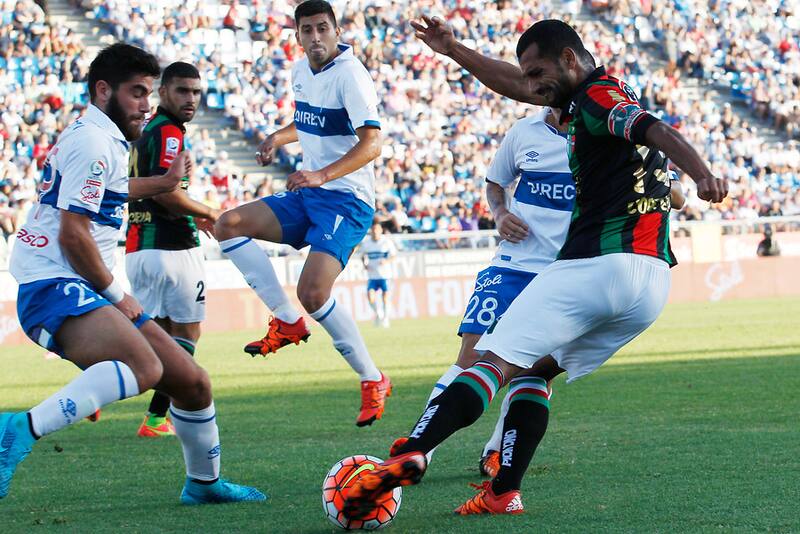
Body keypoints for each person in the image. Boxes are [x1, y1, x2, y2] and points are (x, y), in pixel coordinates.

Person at [344, 18, 726, 518]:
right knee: (535, 373)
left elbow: (655, 129)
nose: (533, 84)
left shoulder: (597, 98)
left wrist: (702, 173)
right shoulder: (592, 95)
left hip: (596, 267)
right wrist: (456, 50)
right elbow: (515, 84)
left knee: (491, 363)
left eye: (540, 71)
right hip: (651, 286)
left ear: (570, 59)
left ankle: (412, 451)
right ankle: (503, 493)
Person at [1, 43, 265, 505]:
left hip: (77, 284)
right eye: (136, 92)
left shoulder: (101, 136)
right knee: (143, 367)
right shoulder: (94, 142)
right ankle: (18, 428)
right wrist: (117, 295)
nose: (146, 103)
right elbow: (73, 236)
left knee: (192, 382)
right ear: (104, 91)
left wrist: (161, 185)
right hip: (53, 284)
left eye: (148, 93)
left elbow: (106, 189)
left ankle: (204, 485)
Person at [214, 0, 391, 427]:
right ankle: (287, 322)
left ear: (336, 30)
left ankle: (373, 379)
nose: (315, 37)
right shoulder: (300, 70)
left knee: (313, 292)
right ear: (296, 35)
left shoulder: (351, 76)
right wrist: (278, 137)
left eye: (322, 28)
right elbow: (310, 123)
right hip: (311, 192)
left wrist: (321, 174)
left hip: (346, 199)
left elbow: (372, 144)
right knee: (227, 224)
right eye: (306, 30)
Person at [125, 61, 221, 438]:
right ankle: (154, 418)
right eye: (182, 91)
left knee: (157, 337)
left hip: (138, 245)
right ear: (162, 92)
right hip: (172, 248)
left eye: (196, 92)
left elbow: (161, 187)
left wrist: (187, 199)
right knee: (188, 333)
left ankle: (105, 388)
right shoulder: (168, 133)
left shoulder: (147, 130)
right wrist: (208, 211)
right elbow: (167, 193)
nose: (191, 99)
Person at [360, 222, 397, 327]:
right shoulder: (367, 243)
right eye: (373, 230)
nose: (375, 232)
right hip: (372, 275)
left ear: (381, 231)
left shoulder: (386, 242)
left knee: (385, 297)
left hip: (385, 275)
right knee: (370, 297)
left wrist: (386, 261)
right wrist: (364, 264)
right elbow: (362, 255)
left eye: (377, 230)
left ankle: (385, 318)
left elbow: (394, 256)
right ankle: (378, 313)